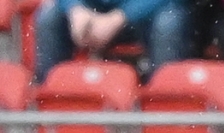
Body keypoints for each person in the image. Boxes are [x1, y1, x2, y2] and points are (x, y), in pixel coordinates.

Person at [34, 0, 194, 81]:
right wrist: (74, 8)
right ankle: (50, 102)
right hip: (91, 11)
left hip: (146, 14)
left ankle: (165, 103)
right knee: (49, 18)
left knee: (169, 22)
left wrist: (119, 18)